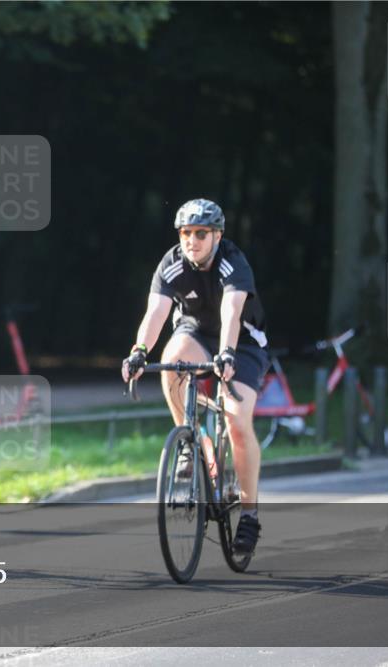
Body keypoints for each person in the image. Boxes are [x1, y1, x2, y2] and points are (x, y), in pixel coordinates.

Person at [121, 198, 270, 555]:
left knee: (236, 421)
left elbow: (231, 312)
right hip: (195, 334)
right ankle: (190, 443)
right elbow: (155, 313)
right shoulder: (172, 264)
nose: (192, 240)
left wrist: (228, 354)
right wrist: (139, 351)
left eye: (201, 233)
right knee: (171, 360)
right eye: (186, 233)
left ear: (217, 235)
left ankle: (249, 515)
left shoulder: (233, 262)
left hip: (243, 342)